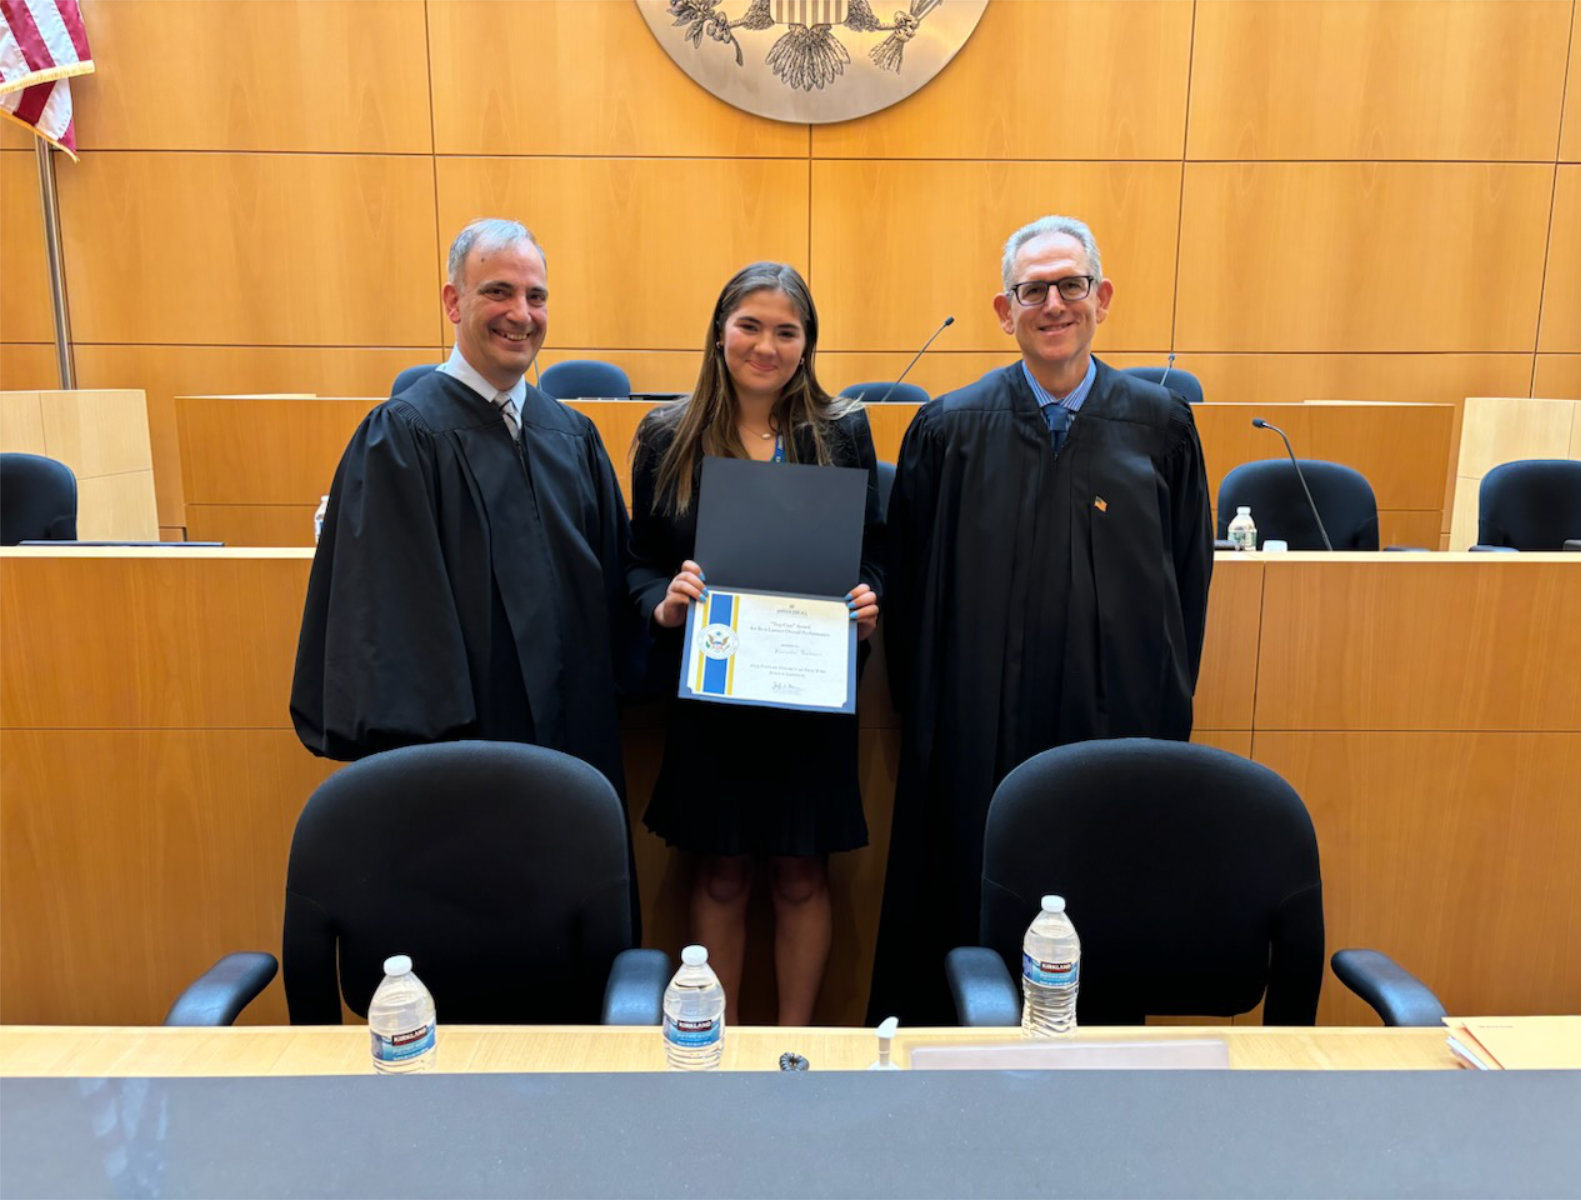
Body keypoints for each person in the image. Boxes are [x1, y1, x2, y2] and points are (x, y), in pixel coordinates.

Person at [868, 215, 1213, 1024]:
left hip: (1112, 720)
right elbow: (911, 593)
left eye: (1072, 285)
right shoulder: (948, 431)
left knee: (1104, 895)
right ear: (1004, 309)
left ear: (1103, 298)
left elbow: (1186, 586)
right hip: (973, 734)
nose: (1054, 304)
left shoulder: (1160, 428)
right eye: (1034, 290)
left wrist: (1159, 707)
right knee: (967, 902)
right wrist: (933, 720)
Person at [291, 218, 640, 803]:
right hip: (461, 756)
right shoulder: (401, 437)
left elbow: (614, 589)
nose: (521, 314)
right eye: (497, 292)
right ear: (453, 301)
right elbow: (388, 623)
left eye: (536, 296)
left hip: (580, 747)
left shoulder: (573, 436)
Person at [628, 262, 884, 1026]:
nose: (766, 346)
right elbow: (638, 559)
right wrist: (663, 606)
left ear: (807, 344)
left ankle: (793, 1047)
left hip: (809, 688)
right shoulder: (666, 434)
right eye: (750, 325)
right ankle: (725, 1046)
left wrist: (868, 599)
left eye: (786, 331)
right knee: (722, 875)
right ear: (719, 331)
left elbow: (871, 552)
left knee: (804, 876)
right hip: (714, 693)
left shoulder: (842, 431)